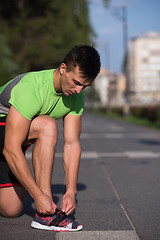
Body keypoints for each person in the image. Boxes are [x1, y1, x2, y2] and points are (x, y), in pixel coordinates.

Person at [0, 44, 101, 231]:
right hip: (6, 135)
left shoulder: (76, 97)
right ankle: (44, 216)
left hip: (13, 138)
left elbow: (72, 144)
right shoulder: (32, 87)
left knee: (11, 209)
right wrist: (39, 196)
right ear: (63, 69)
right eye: (77, 82)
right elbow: (10, 148)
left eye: (85, 87)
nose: (78, 91)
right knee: (47, 125)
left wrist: (71, 191)